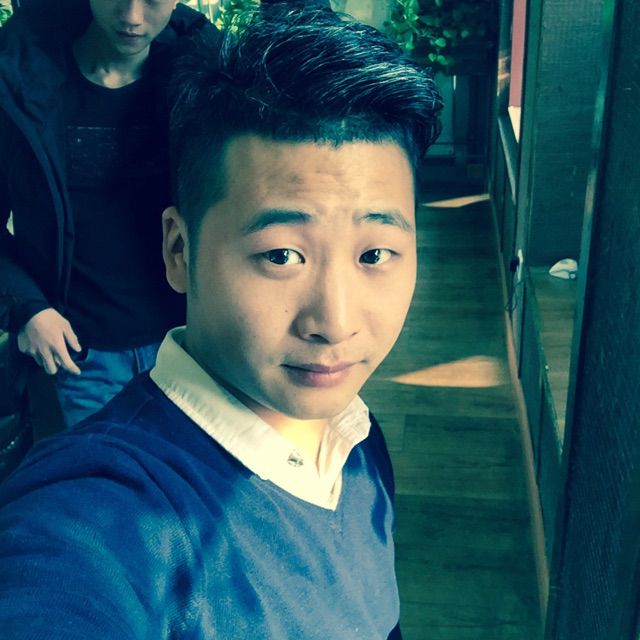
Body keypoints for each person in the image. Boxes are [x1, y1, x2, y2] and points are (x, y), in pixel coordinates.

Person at [0, 5, 443, 639]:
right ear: (179, 249)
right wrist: (28, 304)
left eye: (375, 254)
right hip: (86, 337)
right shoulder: (95, 522)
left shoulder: (357, 440)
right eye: (281, 255)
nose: (336, 323)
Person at [0, 0, 217, 428]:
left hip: (189, 345)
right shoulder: (20, 83)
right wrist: (27, 308)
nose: (132, 17)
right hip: (80, 354)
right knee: (99, 471)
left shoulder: (204, 83)